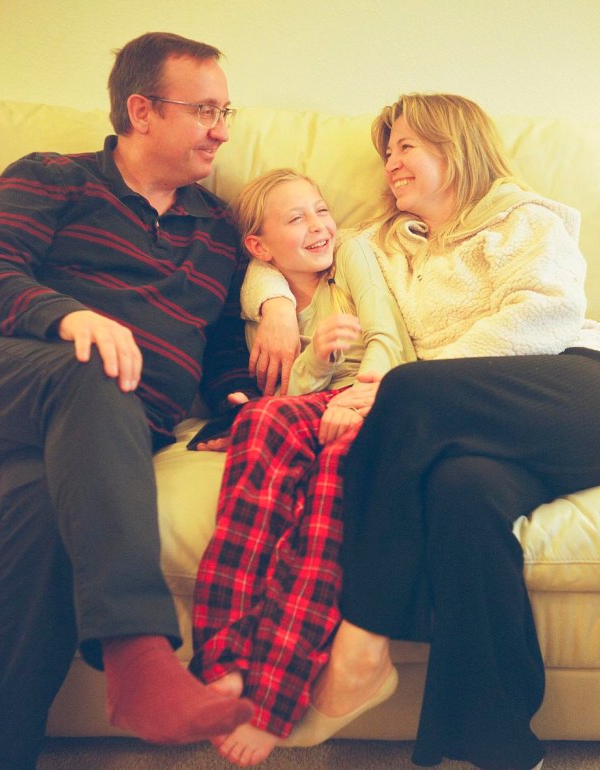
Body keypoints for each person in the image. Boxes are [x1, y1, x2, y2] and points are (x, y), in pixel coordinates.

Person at [0, 32, 299, 770]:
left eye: (228, 111)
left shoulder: (220, 230)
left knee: (38, 512)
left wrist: (242, 397)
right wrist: (70, 318)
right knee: (94, 369)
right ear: (142, 111)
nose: (223, 129)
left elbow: (222, 343)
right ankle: (136, 654)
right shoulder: (55, 178)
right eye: (205, 110)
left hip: (105, 430)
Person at [241, 93, 600, 770]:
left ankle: (363, 640)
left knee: (405, 393)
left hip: (578, 398)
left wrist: (406, 390)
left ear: (454, 149)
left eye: (407, 147)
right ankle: (500, 743)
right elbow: (280, 252)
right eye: (387, 151)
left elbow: (543, 317)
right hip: (471, 435)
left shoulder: (525, 219)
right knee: (462, 494)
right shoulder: (378, 246)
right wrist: (275, 301)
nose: (391, 164)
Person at [189, 168, 415, 766]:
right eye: (297, 219)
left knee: (331, 491)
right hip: (303, 399)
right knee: (258, 424)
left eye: (321, 210)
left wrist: (358, 390)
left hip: (371, 397)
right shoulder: (256, 297)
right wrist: (313, 359)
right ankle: (223, 659)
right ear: (260, 247)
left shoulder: (355, 257)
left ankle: (272, 698)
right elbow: (281, 392)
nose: (319, 226)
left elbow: (390, 336)